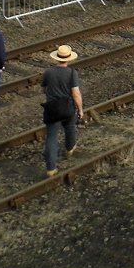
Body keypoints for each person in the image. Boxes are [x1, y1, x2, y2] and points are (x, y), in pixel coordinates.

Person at [42, 45, 84, 178]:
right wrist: (80, 110)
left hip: (52, 108)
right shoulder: (72, 73)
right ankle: (70, 148)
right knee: (70, 127)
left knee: (51, 137)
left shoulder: (48, 72)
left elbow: (44, 89)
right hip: (67, 107)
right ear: (68, 59)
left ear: (57, 58)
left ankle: (51, 168)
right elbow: (76, 94)